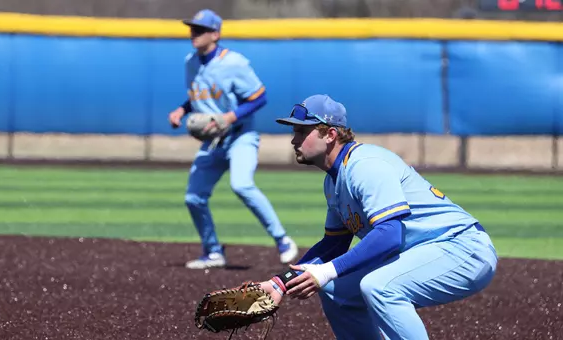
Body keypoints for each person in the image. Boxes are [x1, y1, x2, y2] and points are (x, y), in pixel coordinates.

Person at [258, 94, 498, 339]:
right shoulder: (334, 180)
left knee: (380, 287)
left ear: (330, 135)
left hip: (463, 249)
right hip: (426, 251)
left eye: (302, 131)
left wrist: (327, 270)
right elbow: (333, 245)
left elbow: (390, 234)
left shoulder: (365, 166)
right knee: (334, 290)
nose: (293, 140)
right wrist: (280, 282)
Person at [167, 9, 298, 269]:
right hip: (213, 142)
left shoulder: (234, 63)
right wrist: (183, 109)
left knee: (242, 185)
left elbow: (259, 97)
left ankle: (283, 240)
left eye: (200, 29)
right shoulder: (190, 62)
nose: (193, 33)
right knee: (193, 197)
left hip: (240, 136)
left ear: (215, 34)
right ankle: (213, 251)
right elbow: (199, 97)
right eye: (192, 28)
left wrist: (230, 116)